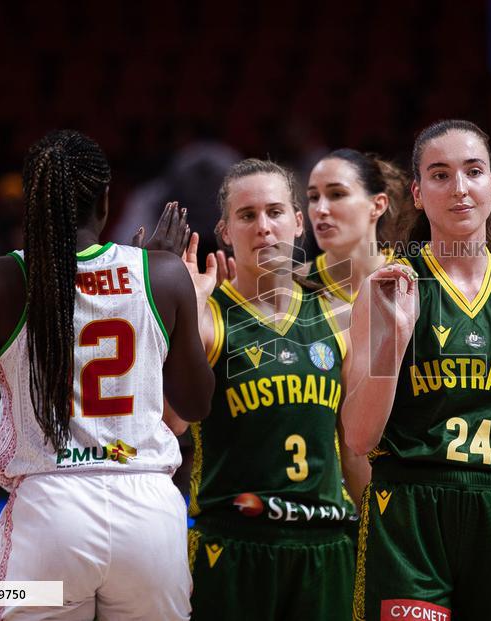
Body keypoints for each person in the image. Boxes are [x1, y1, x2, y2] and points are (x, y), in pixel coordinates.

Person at [0, 129, 214, 620]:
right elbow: (196, 405)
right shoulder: (164, 274)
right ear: (108, 200)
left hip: (51, 511)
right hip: (149, 512)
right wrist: (160, 288)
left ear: (31, 204)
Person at [342, 119, 491, 620]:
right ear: (418, 194)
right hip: (408, 513)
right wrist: (394, 343)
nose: (460, 188)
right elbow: (359, 438)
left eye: (473, 172)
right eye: (441, 175)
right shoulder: (387, 288)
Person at [175, 158, 365, 620]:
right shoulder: (209, 317)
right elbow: (171, 422)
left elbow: (354, 446)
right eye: (247, 215)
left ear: (299, 223)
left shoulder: (340, 316)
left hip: (326, 541)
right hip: (235, 542)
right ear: (224, 231)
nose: (264, 227)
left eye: (276, 212)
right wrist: (186, 318)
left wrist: (375, 531)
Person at [300, 148, 408, 326]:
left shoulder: (415, 281)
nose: (320, 209)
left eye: (336, 194)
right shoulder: (291, 286)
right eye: (313, 197)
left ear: (377, 205)